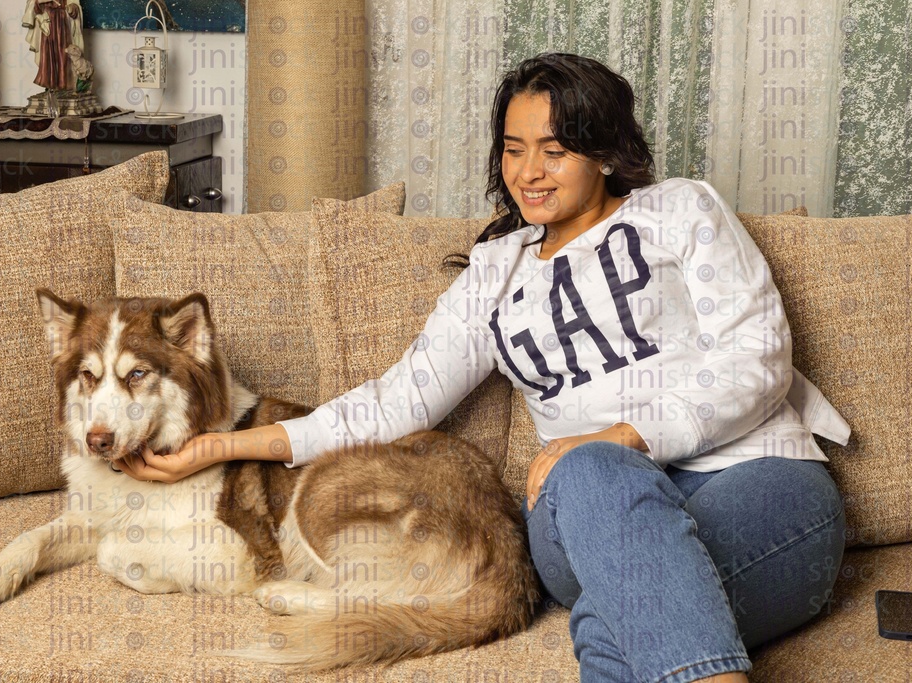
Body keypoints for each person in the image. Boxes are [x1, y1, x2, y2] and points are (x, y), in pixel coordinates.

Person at [113, 53, 848, 683]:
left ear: (603, 150)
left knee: (611, 619)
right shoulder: (494, 275)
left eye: (554, 149)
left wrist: (621, 436)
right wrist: (220, 445)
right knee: (587, 474)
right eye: (513, 147)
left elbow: (757, 360)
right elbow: (391, 403)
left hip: (757, 481)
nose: (529, 172)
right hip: (583, 512)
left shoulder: (680, 211)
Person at [22, 0, 84, 91]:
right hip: (47, 23)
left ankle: (64, 84)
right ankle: (50, 84)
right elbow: (33, 5)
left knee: (63, 53)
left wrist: (71, 8)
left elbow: (75, 7)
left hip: (62, 23)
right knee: (47, 53)